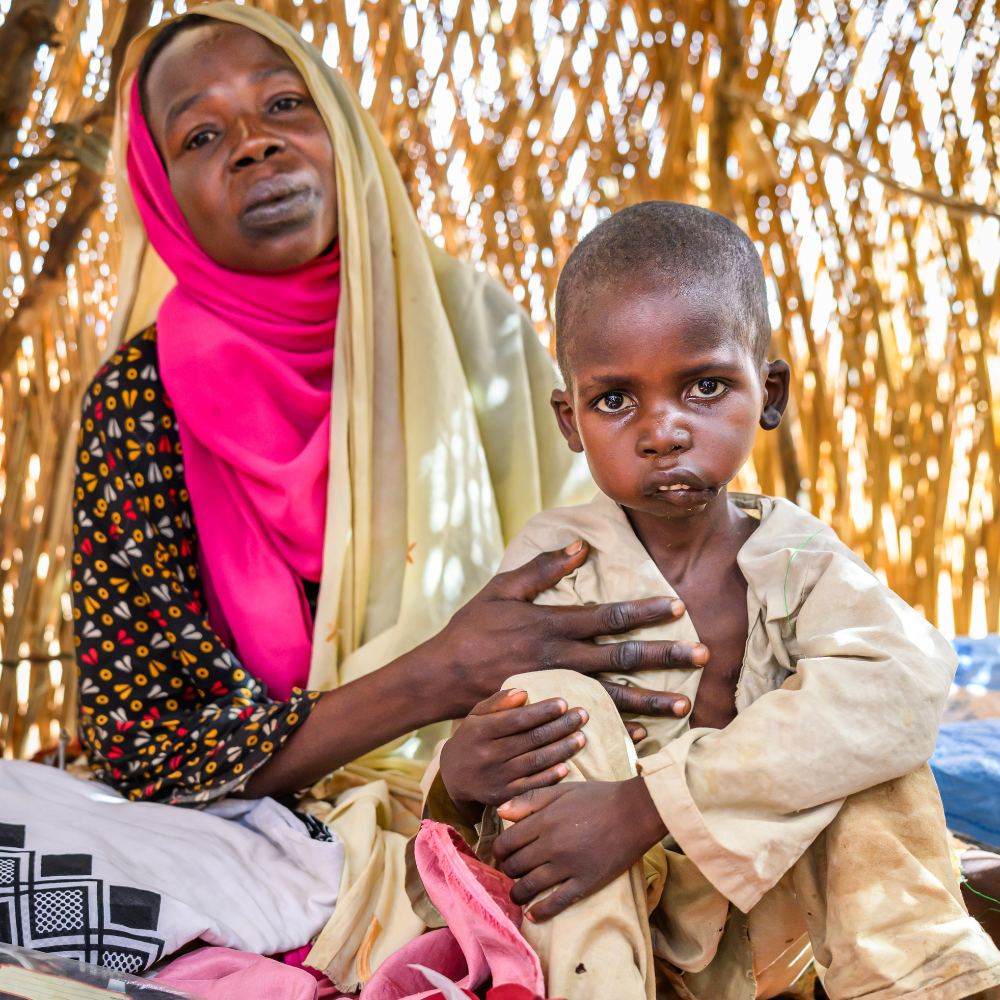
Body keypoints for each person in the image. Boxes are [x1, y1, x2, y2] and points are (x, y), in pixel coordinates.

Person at [71, 6, 707, 988]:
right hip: (272, 831)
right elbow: (138, 750)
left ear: (341, 129)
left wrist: (476, 737)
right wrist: (436, 673)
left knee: (580, 733)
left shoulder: (469, 333)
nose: (255, 143)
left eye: (286, 104)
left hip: (509, 764)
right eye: (202, 134)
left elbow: (599, 608)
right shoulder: (140, 403)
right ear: (164, 196)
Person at [432, 202, 1000, 1000]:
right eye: (616, 400)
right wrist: (462, 770)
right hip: (608, 915)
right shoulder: (552, 564)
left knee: (867, 732)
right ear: (571, 421)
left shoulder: (798, 555)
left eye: (704, 386)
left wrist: (651, 803)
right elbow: (491, 737)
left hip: (774, 918)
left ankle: (925, 988)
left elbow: (903, 680)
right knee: (552, 705)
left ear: (767, 394)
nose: (662, 430)